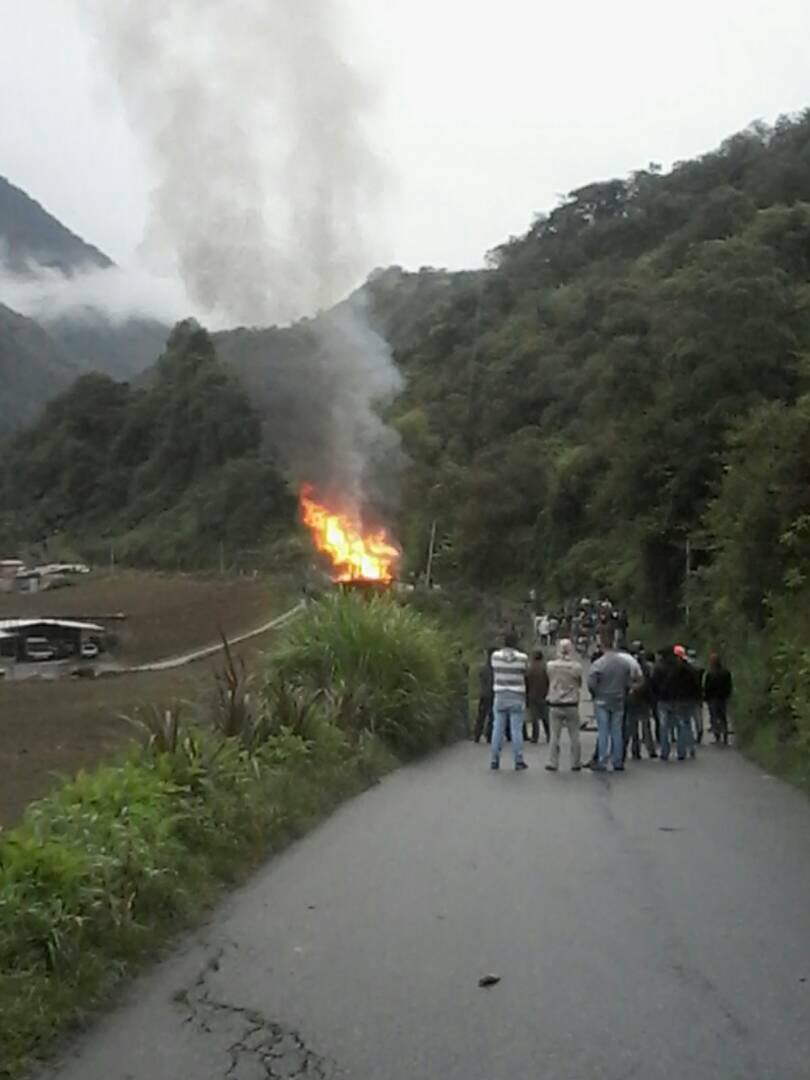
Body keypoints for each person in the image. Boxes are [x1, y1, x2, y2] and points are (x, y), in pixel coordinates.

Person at [587, 641, 634, 771]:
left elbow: (591, 683)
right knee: (617, 731)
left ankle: (601, 760)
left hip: (602, 699)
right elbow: (628, 681)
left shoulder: (599, 664)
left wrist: (595, 693)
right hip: (618, 699)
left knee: (603, 731)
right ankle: (617, 761)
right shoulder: (624, 664)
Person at [490, 631, 530, 771]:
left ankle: (494, 759)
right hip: (517, 695)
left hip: (500, 694)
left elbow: (493, 669)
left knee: (498, 728)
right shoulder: (522, 658)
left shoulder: (495, 656)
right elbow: (526, 672)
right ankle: (518, 760)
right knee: (516, 730)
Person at [654, 645, 701, 761]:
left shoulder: (659, 668)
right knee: (682, 725)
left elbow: (653, 684)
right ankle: (681, 751)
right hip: (678, 699)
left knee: (664, 726)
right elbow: (695, 684)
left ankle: (665, 751)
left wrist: (656, 696)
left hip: (663, 700)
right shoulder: (682, 667)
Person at [545, 638, 583, 771]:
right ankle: (576, 762)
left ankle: (553, 762)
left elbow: (549, 679)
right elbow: (579, 682)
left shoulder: (551, 666)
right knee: (574, 735)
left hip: (555, 703)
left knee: (554, 735)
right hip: (571, 703)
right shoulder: (576, 667)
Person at [626, 641, 657, 760]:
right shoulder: (647, 666)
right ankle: (650, 749)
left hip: (632, 697)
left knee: (633, 726)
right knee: (646, 725)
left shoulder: (627, 665)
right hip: (644, 698)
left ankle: (635, 750)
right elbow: (651, 682)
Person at [704, 653, 733, 744]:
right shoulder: (726, 672)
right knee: (722, 716)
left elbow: (707, 687)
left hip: (713, 698)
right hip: (722, 697)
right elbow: (729, 685)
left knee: (714, 717)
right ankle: (725, 736)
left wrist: (706, 697)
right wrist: (728, 694)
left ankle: (717, 736)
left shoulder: (710, 673)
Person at [525, 649, 550, 743]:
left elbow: (526, 682)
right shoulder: (545, 668)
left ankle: (535, 737)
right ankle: (549, 735)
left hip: (532, 695)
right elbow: (548, 681)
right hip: (543, 695)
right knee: (545, 717)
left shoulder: (530, 669)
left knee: (534, 717)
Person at [473, 647, 495, 744]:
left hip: (484, 694)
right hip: (492, 693)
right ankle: (489, 735)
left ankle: (477, 735)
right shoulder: (495, 669)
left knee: (481, 715)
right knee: (492, 716)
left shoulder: (483, 668)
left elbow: (480, 678)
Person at [686, 648, 705, 744]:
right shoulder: (700, 666)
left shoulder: (687, 667)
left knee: (687, 716)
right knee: (698, 714)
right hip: (698, 694)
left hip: (688, 694)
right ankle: (699, 729)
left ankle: (689, 734)